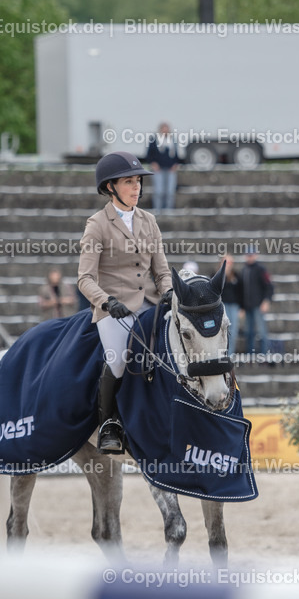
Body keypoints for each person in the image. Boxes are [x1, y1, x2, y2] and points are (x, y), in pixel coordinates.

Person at [78, 151, 172, 453]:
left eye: (138, 182)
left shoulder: (149, 221)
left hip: (151, 303)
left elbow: (162, 270)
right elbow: (85, 279)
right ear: (110, 188)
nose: (137, 188)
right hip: (115, 310)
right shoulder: (96, 225)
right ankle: (110, 424)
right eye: (129, 182)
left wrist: (168, 291)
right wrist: (106, 302)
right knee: (118, 359)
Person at [241, 246, 273, 355]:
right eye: (248, 255)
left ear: (255, 255)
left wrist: (266, 301)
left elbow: (269, 286)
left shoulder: (261, 269)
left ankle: (264, 355)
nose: (250, 257)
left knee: (262, 331)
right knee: (249, 332)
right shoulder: (244, 270)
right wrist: (242, 306)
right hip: (247, 306)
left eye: (251, 255)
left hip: (258, 305)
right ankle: (250, 355)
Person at [147, 121, 180, 211]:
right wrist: (153, 164)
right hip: (158, 169)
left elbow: (176, 155)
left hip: (170, 169)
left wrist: (175, 165)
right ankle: (157, 209)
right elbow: (149, 154)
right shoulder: (154, 140)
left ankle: (168, 210)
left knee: (170, 191)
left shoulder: (172, 141)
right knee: (159, 191)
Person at [221, 254, 243, 352]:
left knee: (233, 331)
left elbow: (242, 292)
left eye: (230, 263)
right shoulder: (216, 274)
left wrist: (242, 308)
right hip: (222, 306)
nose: (228, 265)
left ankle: (230, 354)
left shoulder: (236, 275)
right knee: (222, 331)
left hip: (233, 306)